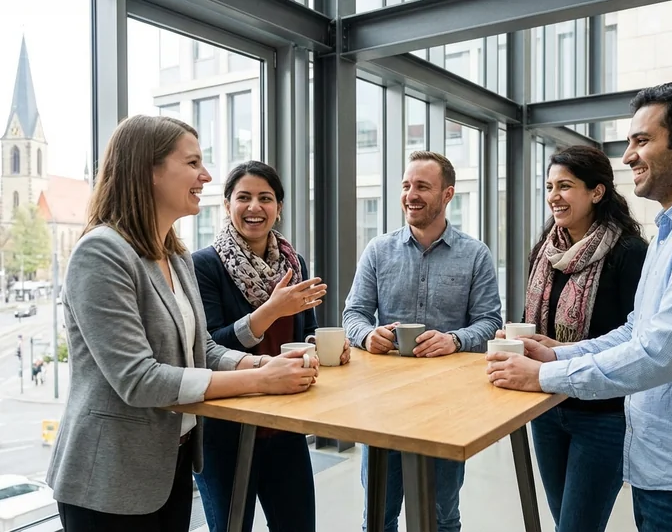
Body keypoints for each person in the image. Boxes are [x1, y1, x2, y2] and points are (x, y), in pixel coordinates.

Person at [486, 81, 672, 531]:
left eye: (641, 140)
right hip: (663, 467)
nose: (627, 157)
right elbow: (635, 330)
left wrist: (543, 374)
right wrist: (557, 353)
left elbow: (659, 352)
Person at [46, 115, 319, 532]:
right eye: (192, 163)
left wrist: (260, 365)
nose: (206, 175)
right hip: (109, 477)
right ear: (149, 171)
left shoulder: (173, 255)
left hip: (170, 463)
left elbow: (203, 350)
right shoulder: (100, 253)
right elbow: (138, 379)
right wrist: (261, 381)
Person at [343, 150, 503, 532]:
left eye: (422, 187)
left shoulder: (475, 255)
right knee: (378, 516)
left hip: (448, 408)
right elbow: (353, 316)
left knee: (441, 516)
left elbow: (490, 322)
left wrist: (455, 340)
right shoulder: (378, 251)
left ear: (447, 194)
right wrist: (369, 335)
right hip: (383, 404)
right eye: (406, 185)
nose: (411, 194)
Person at [192, 160, 350, 532]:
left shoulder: (294, 263)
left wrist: (323, 349)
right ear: (227, 205)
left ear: (278, 208)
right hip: (225, 430)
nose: (254, 207)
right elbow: (210, 348)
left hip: (285, 426)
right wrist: (269, 311)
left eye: (265, 198)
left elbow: (304, 330)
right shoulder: (203, 265)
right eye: (243, 197)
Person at [496, 145, 647, 531]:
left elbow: (637, 336)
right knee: (564, 517)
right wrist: (525, 343)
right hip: (546, 408)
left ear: (597, 192)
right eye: (549, 187)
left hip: (603, 413)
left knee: (576, 526)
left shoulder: (629, 253)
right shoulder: (546, 252)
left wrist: (564, 352)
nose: (553, 197)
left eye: (565, 186)